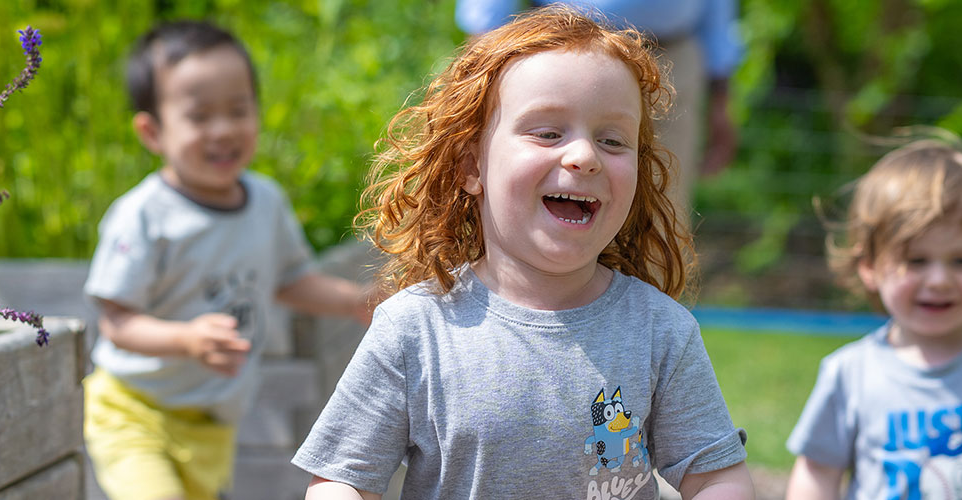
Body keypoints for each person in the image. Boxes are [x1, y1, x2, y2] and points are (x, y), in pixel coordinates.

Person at [291, 6, 752, 499]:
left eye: (613, 140)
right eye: (547, 133)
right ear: (472, 166)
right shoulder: (415, 328)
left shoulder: (661, 331)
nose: (584, 156)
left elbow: (715, 477)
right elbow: (342, 479)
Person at [81, 20, 371, 500]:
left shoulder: (266, 201)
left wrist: (355, 301)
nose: (223, 130)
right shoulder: (144, 216)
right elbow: (116, 320)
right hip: (133, 412)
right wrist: (186, 339)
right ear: (152, 131)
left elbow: (290, 280)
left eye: (238, 110)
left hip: (212, 425)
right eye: (199, 116)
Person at [785, 140, 962, 499]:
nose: (939, 280)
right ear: (869, 266)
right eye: (916, 261)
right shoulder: (849, 374)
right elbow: (817, 472)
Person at [456, 0, 743, 221]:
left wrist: (721, 97)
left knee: (661, 211)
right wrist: (479, 73)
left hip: (672, 55)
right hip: (562, 48)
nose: (584, 157)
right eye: (548, 134)